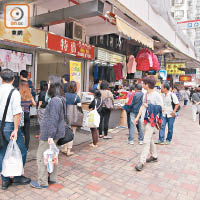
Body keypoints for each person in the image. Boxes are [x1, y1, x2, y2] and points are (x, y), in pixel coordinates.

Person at [30, 76, 66, 189]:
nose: (48, 86)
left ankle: (42, 182)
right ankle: (53, 178)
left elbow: (53, 120)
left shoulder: (55, 100)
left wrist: (50, 135)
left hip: (50, 135)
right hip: (57, 133)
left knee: (41, 156)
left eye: (50, 84)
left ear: (54, 86)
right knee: (53, 156)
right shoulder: (61, 98)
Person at [0, 69, 31, 190]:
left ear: (2, 78)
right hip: (9, 125)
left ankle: (4, 180)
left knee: (2, 151)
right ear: (13, 79)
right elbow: (17, 113)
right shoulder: (14, 92)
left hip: (0, 125)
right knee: (22, 150)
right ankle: (17, 176)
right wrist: (16, 129)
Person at [134, 76, 163, 171]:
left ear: (147, 84)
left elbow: (162, 108)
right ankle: (154, 156)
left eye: (143, 83)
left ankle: (141, 162)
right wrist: (137, 118)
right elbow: (142, 107)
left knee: (145, 141)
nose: (142, 85)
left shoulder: (157, 95)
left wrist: (150, 106)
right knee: (149, 139)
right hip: (143, 120)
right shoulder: (145, 94)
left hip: (151, 122)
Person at [62, 81, 81, 156]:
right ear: (75, 88)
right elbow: (79, 109)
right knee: (72, 133)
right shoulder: (77, 97)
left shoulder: (63, 95)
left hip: (64, 116)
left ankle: (64, 148)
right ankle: (69, 150)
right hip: (73, 116)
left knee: (64, 132)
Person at [19, 80, 36, 150]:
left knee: (20, 132)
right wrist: (30, 103)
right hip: (26, 114)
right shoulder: (29, 95)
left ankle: (20, 146)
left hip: (20, 115)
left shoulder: (18, 94)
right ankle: (26, 148)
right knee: (27, 132)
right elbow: (34, 104)